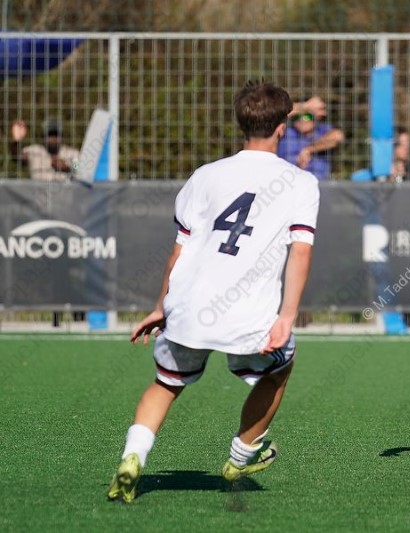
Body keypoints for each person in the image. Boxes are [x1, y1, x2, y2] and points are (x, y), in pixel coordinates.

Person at [107, 80, 320, 503]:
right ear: (282, 127)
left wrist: (160, 306)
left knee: (166, 384)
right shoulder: (299, 182)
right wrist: (287, 316)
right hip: (248, 314)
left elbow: (179, 252)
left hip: (188, 305)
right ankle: (241, 456)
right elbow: (300, 252)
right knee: (280, 368)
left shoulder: (205, 175)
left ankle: (132, 458)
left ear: (242, 124)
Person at [278, 95, 344, 180]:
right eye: (297, 117)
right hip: (286, 181)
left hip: (318, 181)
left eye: (307, 116)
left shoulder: (322, 129)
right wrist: (306, 106)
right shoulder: (286, 132)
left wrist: (308, 150)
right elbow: (276, 113)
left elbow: (338, 137)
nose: (302, 120)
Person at [8, 118, 79, 181]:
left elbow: (79, 170)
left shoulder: (73, 154)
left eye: (56, 134)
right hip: (38, 191)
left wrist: (66, 168)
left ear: (62, 136)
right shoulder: (34, 151)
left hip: (65, 191)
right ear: (43, 137)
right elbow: (17, 156)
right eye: (50, 134)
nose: (53, 138)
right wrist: (16, 140)